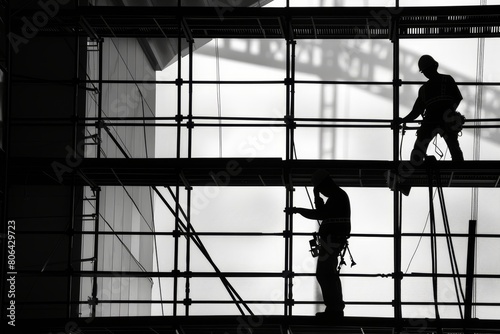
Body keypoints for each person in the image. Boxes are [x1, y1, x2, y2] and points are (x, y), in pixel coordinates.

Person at [286, 169, 351, 320]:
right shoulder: (338, 196)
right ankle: (335, 307)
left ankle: (334, 309)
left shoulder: (337, 197)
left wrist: (299, 209)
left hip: (332, 240)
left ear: (326, 184)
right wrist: (314, 200)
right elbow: (322, 213)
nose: (321, 192)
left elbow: (320, 213)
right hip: (332, 240)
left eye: (321, 189)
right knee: (329, 273)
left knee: (324, 273)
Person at [400, 54, 465, 164]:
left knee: (419, 150)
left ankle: (416, 168)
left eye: (425, 70)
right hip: (443, 120)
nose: (426, 73)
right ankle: (459, 168)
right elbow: (457, 98)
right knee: (454, 148)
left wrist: (402, 120)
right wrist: (450, 113)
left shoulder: (425, 89)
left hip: (432, 121)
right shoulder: (445, 81)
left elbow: (416, 112)